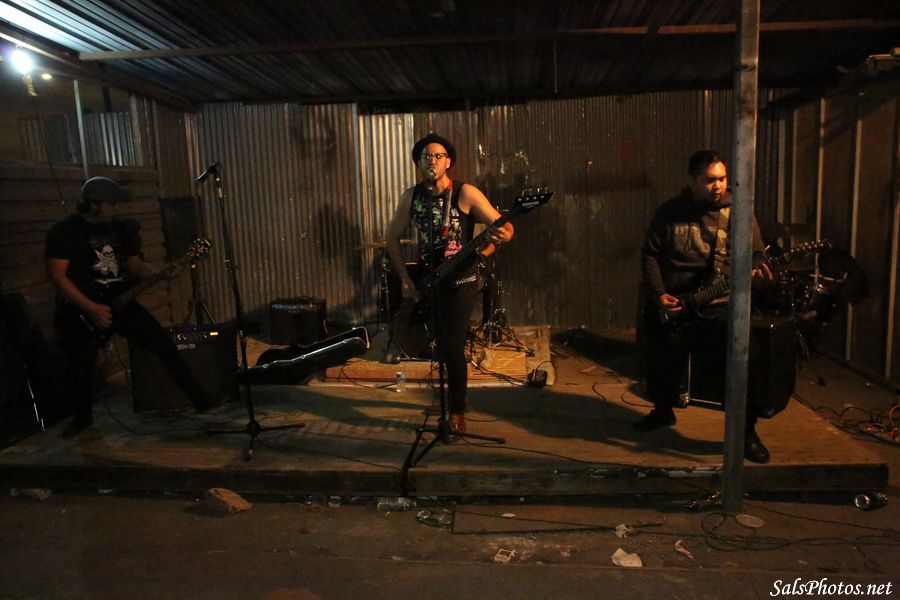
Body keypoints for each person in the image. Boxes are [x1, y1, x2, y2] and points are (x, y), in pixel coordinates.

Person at [634, 150, 774, 463]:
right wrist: (659, 294)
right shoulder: (671, 212)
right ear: (693, 181)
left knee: (740, 368)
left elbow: (757, 253)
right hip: (675, 302)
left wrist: (759, 264)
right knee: (662, 360)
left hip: (719, 304)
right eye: (710, 180)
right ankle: (663, 410)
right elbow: (650, 254)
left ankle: (746, 432)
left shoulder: (739, 212)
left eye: (722, 179)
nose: (718, 186)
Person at [46, 176, 213, 438]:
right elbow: (57, 276)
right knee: (81, 365)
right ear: (94, 204)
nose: (117, 210)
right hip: (80, 308)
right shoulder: (65, 231)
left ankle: (201, 400)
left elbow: (135, 266)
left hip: (120, 302)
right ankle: (82, 420)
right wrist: (92, 308)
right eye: (112, 204)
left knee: (162, 344)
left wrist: (158, 273)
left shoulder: (122, 228)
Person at [386, 133, 514, 440]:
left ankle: (456, 412)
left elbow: (506, 228)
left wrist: (494, 243)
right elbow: (391, 237)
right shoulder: (412, 196)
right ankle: (454, 397)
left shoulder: (466, 192)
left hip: (461, 281)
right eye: (426, 156)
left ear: (449, 162)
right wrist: (405, 279)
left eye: (438, 156)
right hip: (430, 281)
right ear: (419, 163)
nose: (432, 161)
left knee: (454, 346)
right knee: (440, 344)